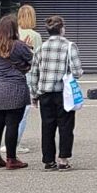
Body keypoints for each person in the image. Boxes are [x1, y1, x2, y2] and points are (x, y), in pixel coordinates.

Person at [28, 15, 83, 172]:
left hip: (45, 93)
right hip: (63, 93)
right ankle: (63, 159)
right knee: (66, 126)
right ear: (62, 29)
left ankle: (48, 160)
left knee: (47, 126)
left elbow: (33, 74)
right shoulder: (69, 46)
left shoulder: (40, 48)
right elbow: (77, 72)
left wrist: (34, 95)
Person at [0, 15, 33, 170]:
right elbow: (30, 58)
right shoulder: (18, 45)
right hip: (14, 86)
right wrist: (28, 47)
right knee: (12, 123)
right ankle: (11, 158)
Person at [13, 4, 42, 154]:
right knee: (23, 113)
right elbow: (37, 60)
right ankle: (15, 143)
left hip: (10, 77)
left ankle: (6, 139)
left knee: (10, 112)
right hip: (28, 77)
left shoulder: (13, 33)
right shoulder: (35, 36)